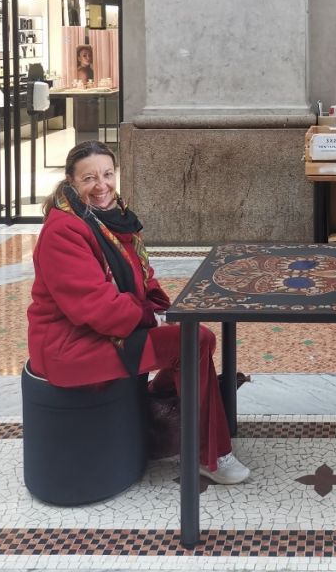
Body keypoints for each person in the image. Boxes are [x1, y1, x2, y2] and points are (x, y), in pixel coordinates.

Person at [27, 140, 249, 486]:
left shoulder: (114, 218)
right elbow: (94, 305)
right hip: (71, 346)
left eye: (107, 174)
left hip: (106, 331)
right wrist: (149, 317)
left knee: (193, 337)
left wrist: (165, 309)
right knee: (193, 342)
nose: (101, 186)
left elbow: (144, 279)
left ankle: (164, 407)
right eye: (89, 179)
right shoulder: (63, 231)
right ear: (71, 182)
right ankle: (210, 455)